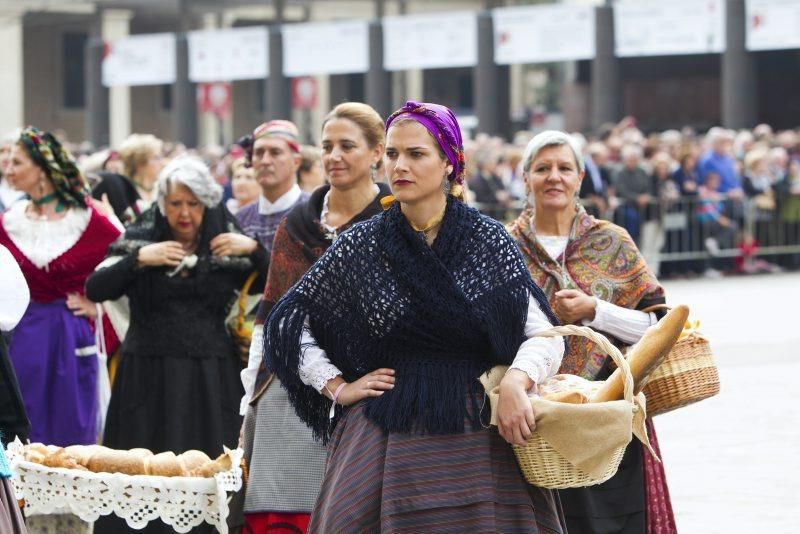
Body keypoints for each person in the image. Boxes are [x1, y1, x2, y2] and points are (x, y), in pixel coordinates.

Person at [265, 101, 566, 532]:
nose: (399, 165)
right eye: (392, 154)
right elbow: (288, 322)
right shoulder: (361, 244)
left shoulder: (487, 241)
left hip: (477, 428)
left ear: (449, 163)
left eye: (416, 154)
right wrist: (337, 387)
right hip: (387, 427)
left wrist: (519, 381)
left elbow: (545, 333)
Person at [507, 130, 677, 534]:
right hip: (535, 416)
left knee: (616, 520)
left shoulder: (612, 241)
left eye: (564, 168)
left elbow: (657, 327)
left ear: (580, 177)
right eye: (542, 168)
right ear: (526, 177)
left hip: (607, 403)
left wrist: (595, 310)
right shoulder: (504, 246)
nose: (554, 178)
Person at [233, 102, 392, 534]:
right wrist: (251, 399)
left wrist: (346, 384)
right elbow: (271, 318)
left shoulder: (395, 221)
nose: (335, 156)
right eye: (327, 146)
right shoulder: (298, 225)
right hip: (289, 386)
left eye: (347, 146)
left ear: (377, 152)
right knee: (281, 512)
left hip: (370, 388)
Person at [86, 156, 267, 534]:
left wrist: (253, 249)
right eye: (175, 204)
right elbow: (96, 288)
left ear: (207, 204)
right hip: (144, 377)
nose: (184, 213)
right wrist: (138, 258)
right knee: (139, 476)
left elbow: (277, 283)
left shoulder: (226, 243)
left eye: (193, 204)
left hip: (208, 377)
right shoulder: (143, 238)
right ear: (161, 204)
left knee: (203, 478)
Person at [0, 127, 121, 447]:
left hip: (70, 338)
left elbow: (125, 274)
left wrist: (98, 306)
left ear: (42, 167)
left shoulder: (89, 221)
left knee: (71, 435)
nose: (8, 169)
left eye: (17, 162)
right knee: (22, 434)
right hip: (20, 338)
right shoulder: (9, 222)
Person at [236, 121, 310, 255]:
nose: (265, 161)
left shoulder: (314, 212)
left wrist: (255, 251)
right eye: (259, 153)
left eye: (275, 153)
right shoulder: (241, 218)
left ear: (296, 162)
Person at [91, 133, 164, 226]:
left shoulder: (161, 189)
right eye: (157, 157)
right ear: (140, 162)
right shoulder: (121, 191)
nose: (162, 162)